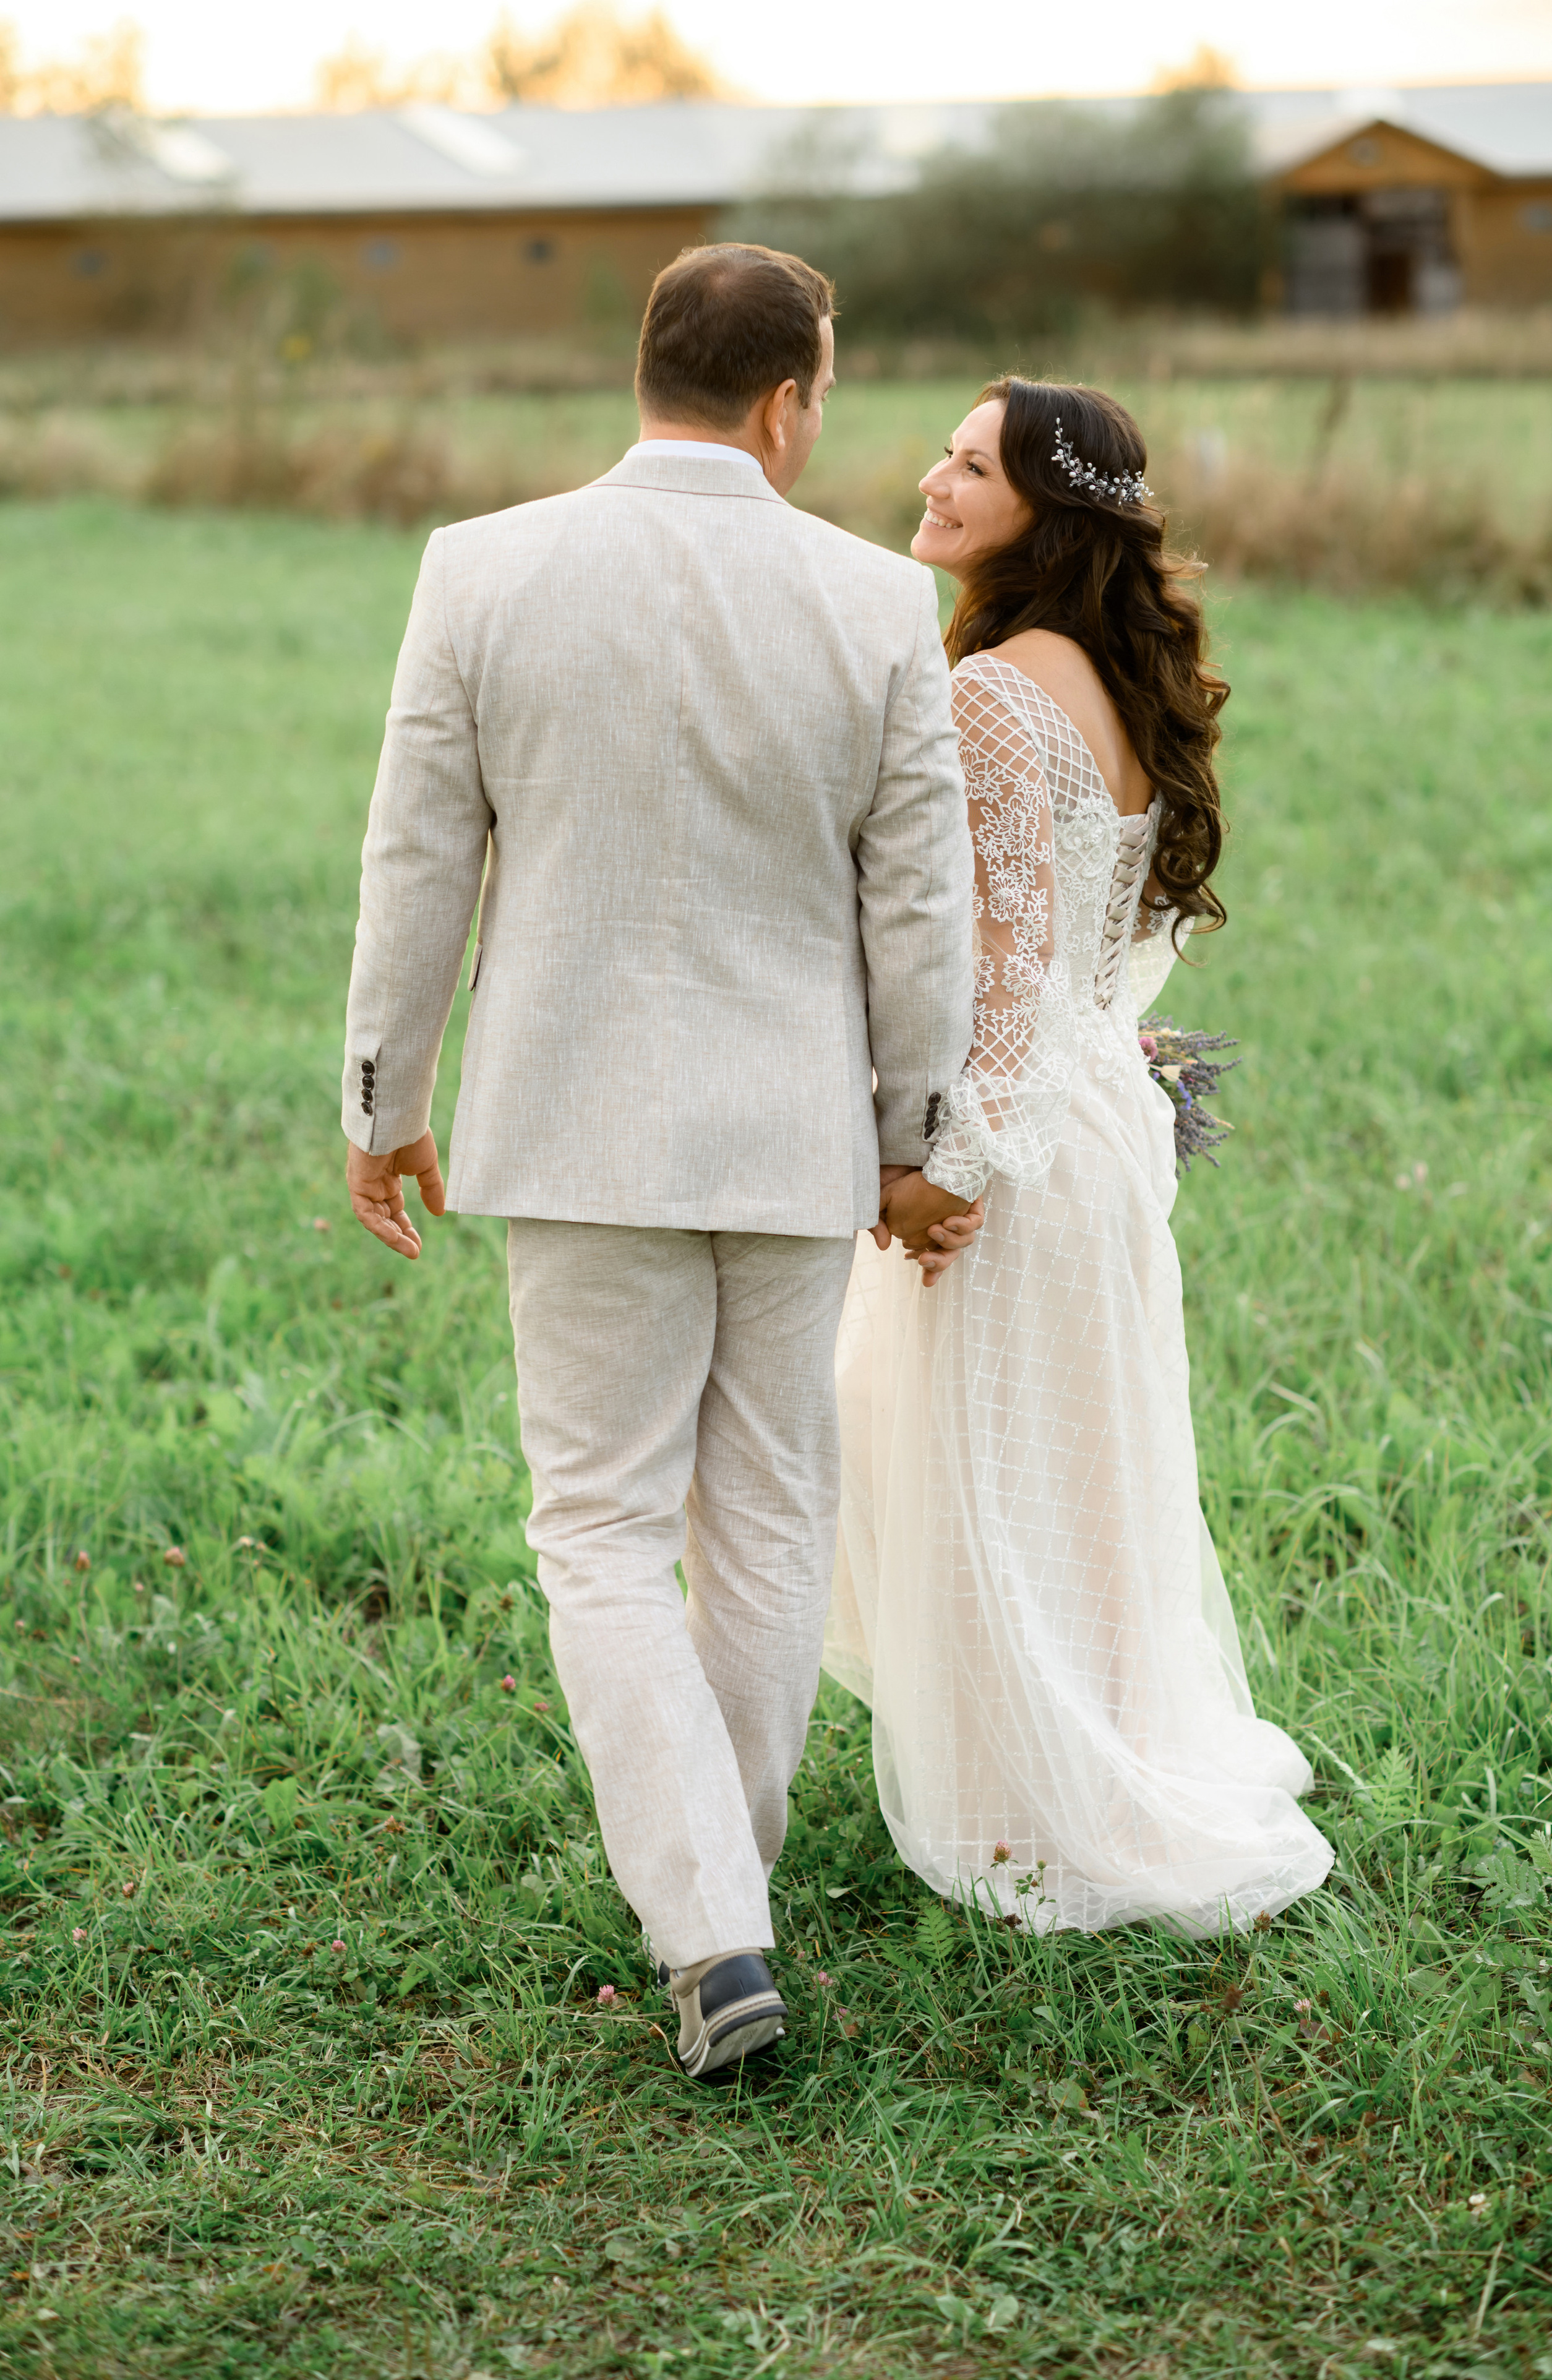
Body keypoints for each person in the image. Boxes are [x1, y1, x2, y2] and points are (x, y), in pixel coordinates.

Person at [339, 245, 977, 2078]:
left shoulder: (483, 569)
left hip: (576, 1126)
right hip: (795, 1138)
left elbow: (416, 861)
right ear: (790, 400)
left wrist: (384, 1101)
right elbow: (916, 908)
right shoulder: (869, 603)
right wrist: (913, 1133)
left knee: (604, 1534)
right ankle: (728, 1901)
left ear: (653, 371)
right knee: (771, 1515)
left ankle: (709, 1929)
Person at [824, 379, 1334, 1936]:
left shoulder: (988, 689)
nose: (931, 477)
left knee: (983, 1472)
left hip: (1021, 1148)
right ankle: (1078, 1755)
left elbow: (998, 962)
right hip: (1097, 1115)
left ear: (1040, 509)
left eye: (968, 465)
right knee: (1077, 1472)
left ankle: (1027, 1807)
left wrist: (948, 1171)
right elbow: (1111, 954)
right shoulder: (1114, 677)